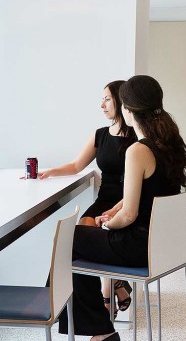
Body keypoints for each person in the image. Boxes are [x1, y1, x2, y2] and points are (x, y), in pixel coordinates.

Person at [59, 75, 186, 341]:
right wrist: (114, 211)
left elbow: (130, 215)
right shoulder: (170, 143)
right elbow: (144, 197)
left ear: (127, 110)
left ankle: (97, 326)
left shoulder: (138, 150)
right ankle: (86, 315)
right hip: (163, 247)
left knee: (67, 239)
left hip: (138, 245)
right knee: (77, 238)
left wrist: (106, 224)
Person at [34, 81, 136, 311]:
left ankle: (106, 295)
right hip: (104, 200)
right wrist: (50, 172)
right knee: (84, 228)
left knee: (94, 237)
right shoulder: (100, 135)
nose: (102, 105)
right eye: (102, 100)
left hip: (127, 202)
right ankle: (114, 286)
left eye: (107, 99)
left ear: (121, 101)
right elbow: (76, 165)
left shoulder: (137, 138)